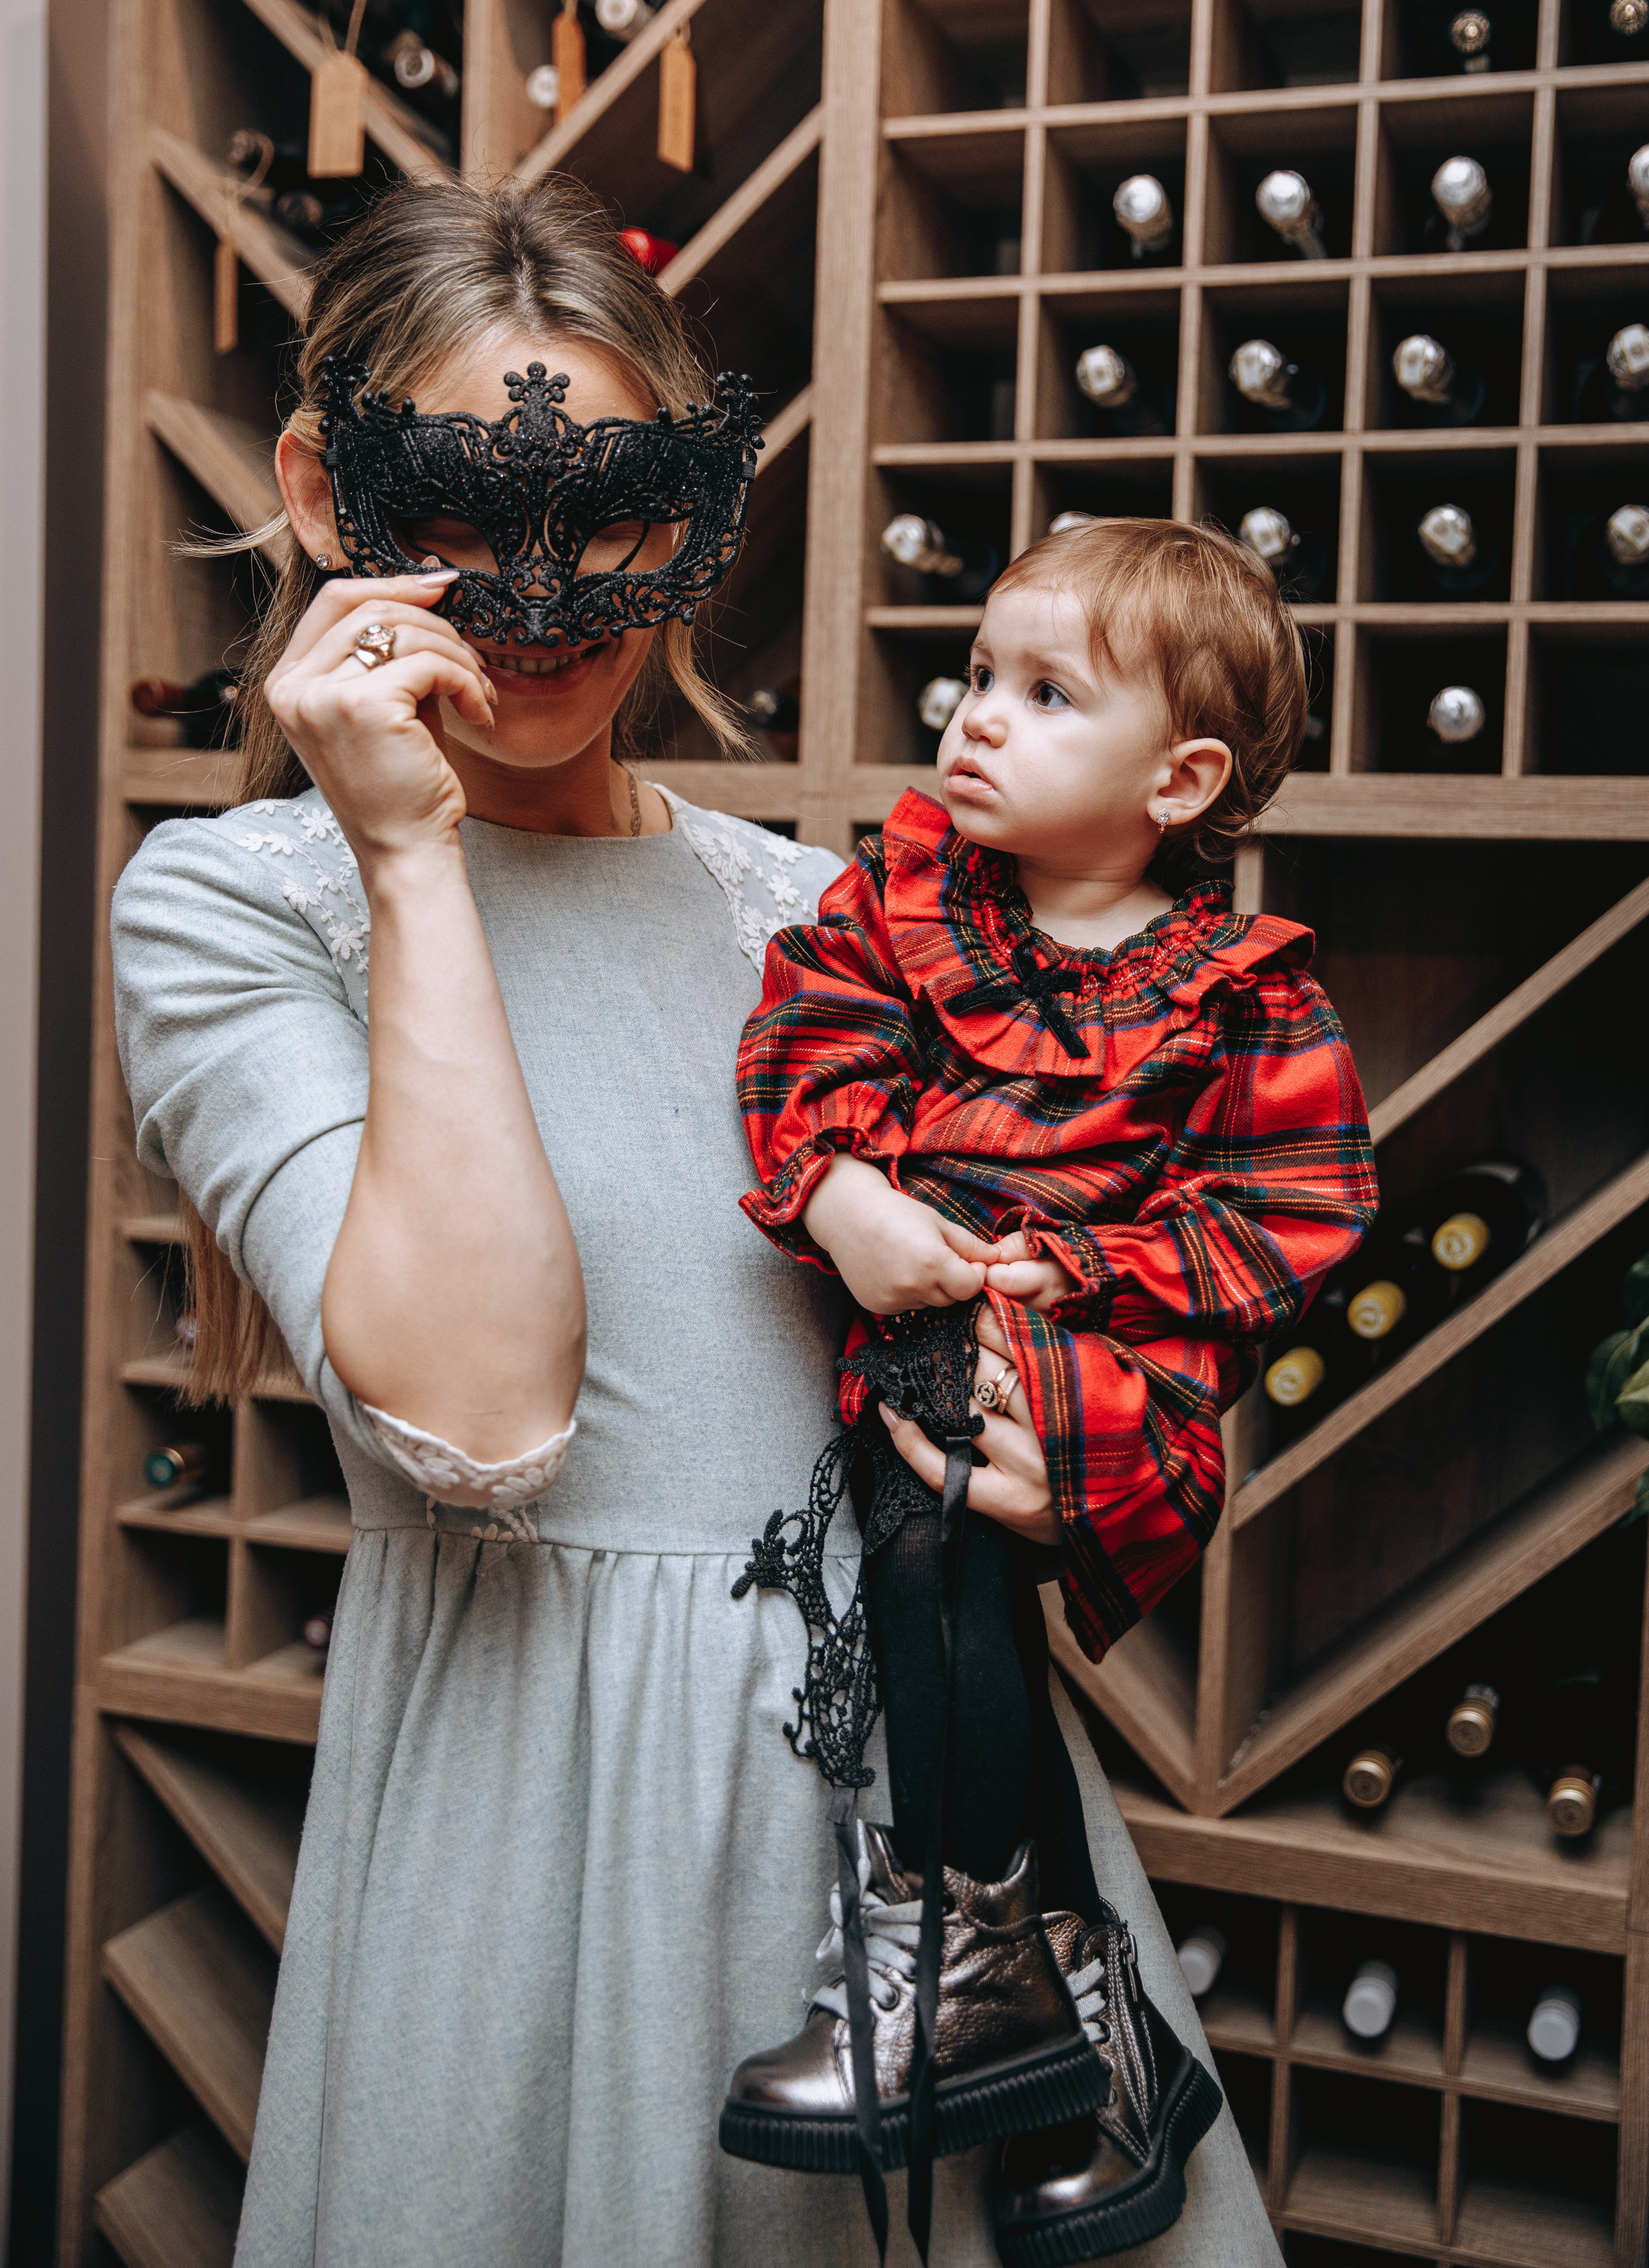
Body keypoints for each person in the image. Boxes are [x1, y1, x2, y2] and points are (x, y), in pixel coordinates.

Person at [111, 172, 1285, 2267]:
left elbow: (1071, 1263)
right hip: (542, 1838)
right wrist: (406, 858)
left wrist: (1050, 1414)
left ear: (698, 500)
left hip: (933, 1850)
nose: (544, 586)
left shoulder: (824, 918)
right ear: (319, 491)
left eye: (618, 507)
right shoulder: (232, 912)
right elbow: (483, 1410)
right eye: (461, 505)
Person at [722, 520, 1376, 2263]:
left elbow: (1294, 1211)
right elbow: (802, 1057)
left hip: (1107, 1378)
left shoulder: (1241, 992)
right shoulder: (910, 902)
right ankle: (1055, 2014)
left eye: (1042, 692)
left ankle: (966, 1957)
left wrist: (1070, 1277)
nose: (975, 718)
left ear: (1185, 777)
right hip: (930, 1323)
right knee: (942, 1571)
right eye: (978, 675)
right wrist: (849, 1200)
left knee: (951, 1547)